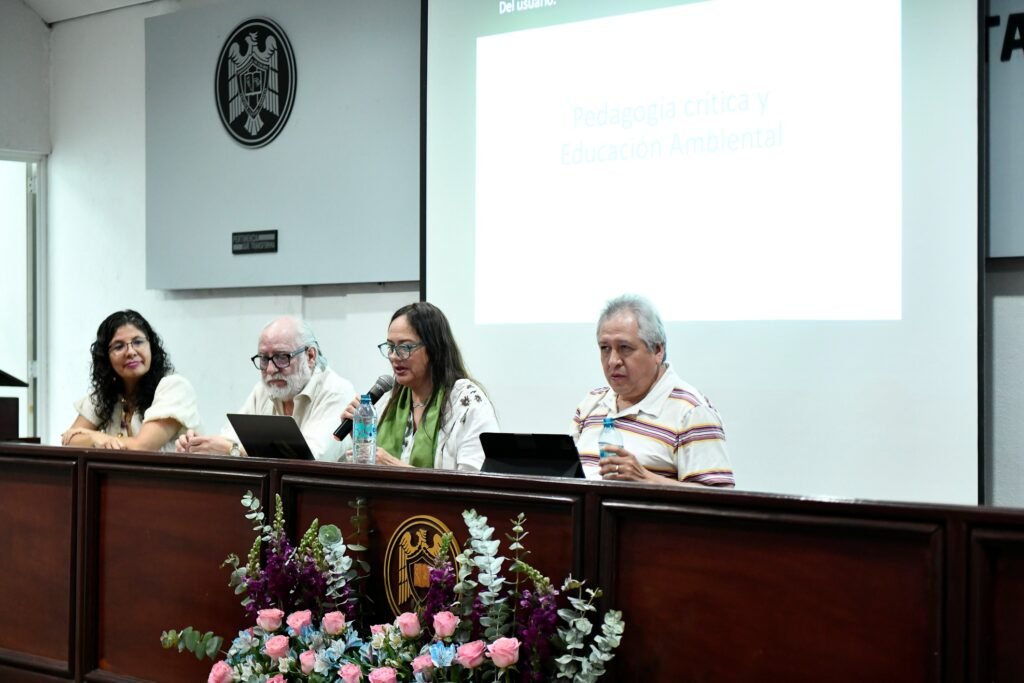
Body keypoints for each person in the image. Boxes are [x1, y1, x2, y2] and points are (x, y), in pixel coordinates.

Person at [572, 294, 734, 487]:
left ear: (658, 350)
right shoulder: (592, 403)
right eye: (605, 348)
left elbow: (721, 495)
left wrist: (647, 479)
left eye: (625, 347)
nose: (613, 361)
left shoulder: (690, 411)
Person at [338, 302, 497, 471]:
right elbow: (374, 464)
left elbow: (474, 480)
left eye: (405, 347)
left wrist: (394, 466)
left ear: (433, 348)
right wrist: (361, 438)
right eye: (390, 347)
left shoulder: (466, 402)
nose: (393, 356)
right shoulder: (389, 401)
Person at [176, 316, 356, 462]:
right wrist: (199, 445)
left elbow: (312, 458)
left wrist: (234, 450)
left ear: (310, 356)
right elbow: (230, 438)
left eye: (282, 357)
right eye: (264, 359)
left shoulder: (337, 391)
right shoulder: (266, 389)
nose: (270, 369)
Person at [61, 310, 199, 452]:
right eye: (119, 346)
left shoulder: (175, 388)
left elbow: (143, 447)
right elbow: (69, 440)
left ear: (151, 346)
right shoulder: (106, 395)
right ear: (106, 358)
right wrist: (93, 439)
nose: (131, 352)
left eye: (138, 342)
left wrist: (97, 436)